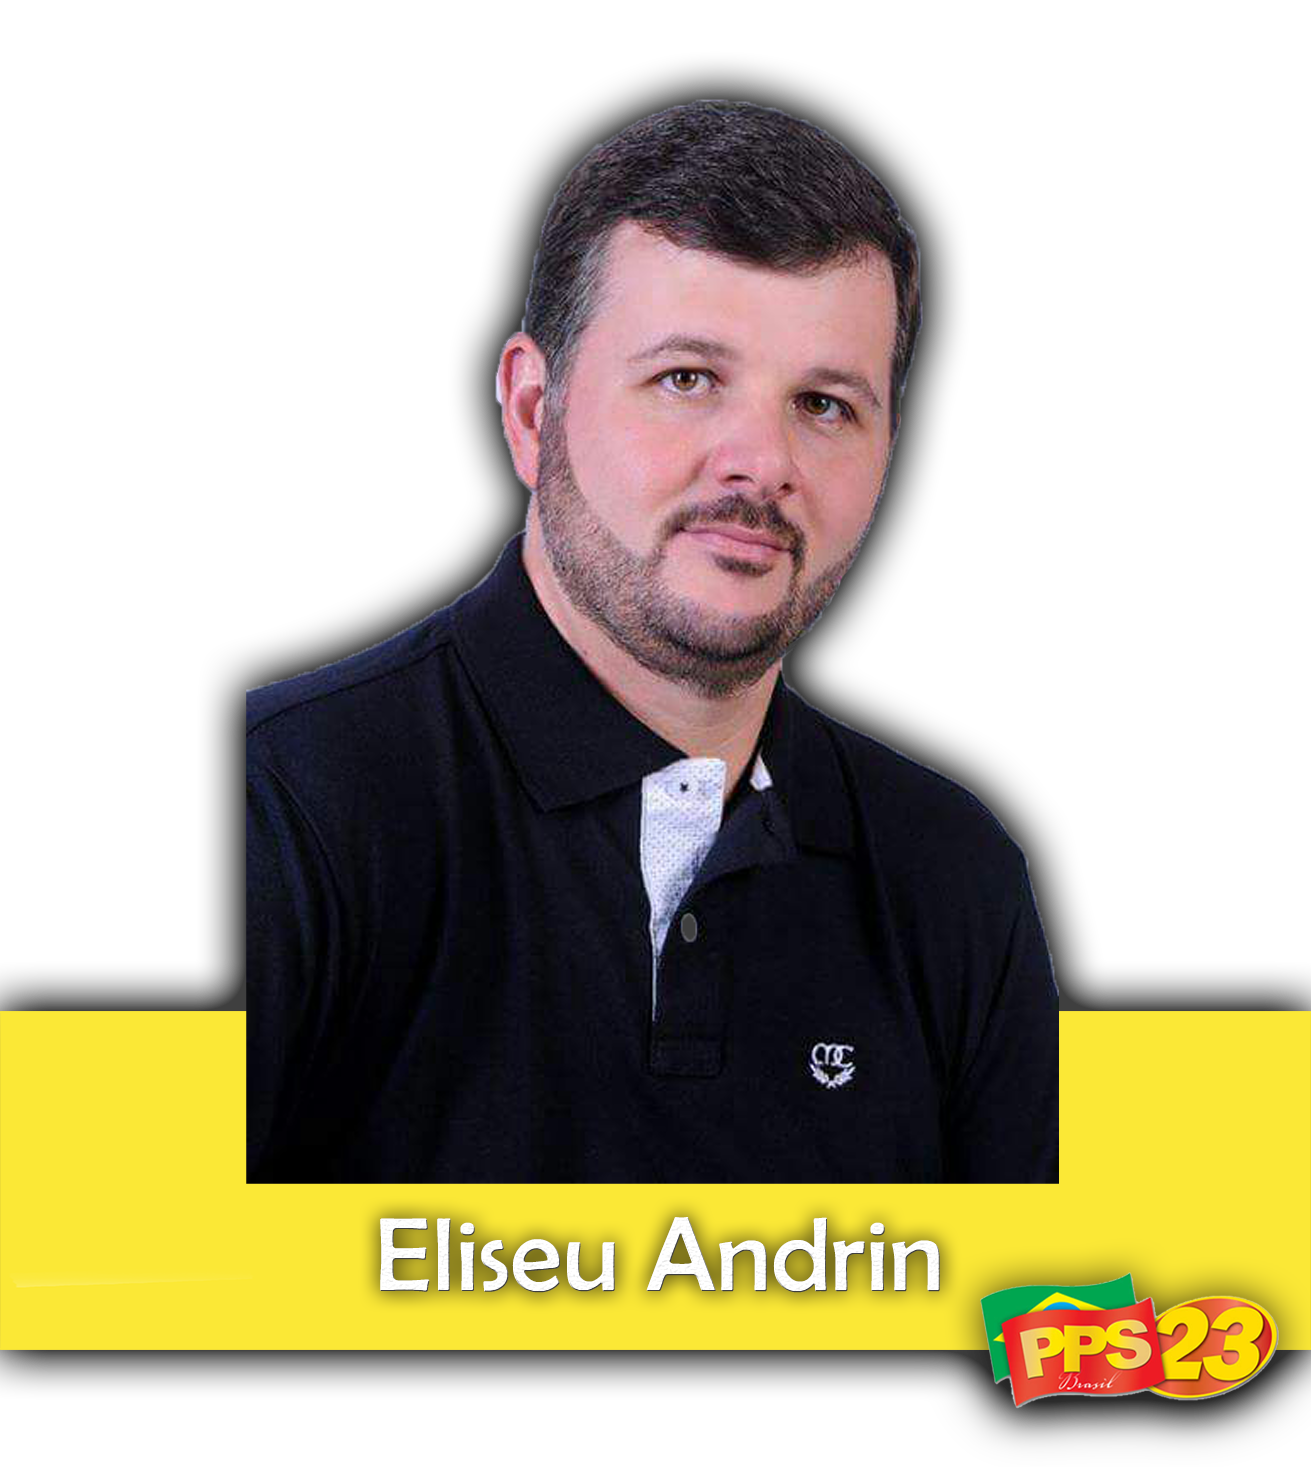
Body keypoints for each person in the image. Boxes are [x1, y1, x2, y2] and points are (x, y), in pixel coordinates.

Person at [246, 98, 1057, 1182]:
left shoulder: (955, 875)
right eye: (687, 379)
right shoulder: (277, 810)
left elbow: (1042, 1291)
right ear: (532, 411)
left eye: (824, 404)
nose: (762, 462)